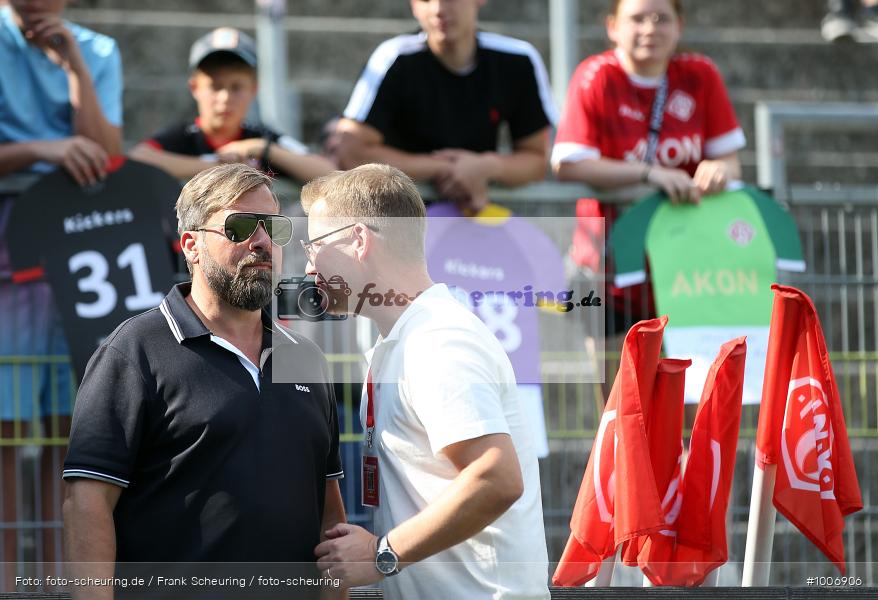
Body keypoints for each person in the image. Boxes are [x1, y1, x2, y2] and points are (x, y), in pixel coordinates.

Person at [62, 164, 346, 599]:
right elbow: (87, 504)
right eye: (240, 227)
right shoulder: (133, 350)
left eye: (274, 227)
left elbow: (330, 514)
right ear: (191, 246)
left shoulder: (306, 358)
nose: (262, 241)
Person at [304, 164, 550, 600]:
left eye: (316, 246)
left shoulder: (437, 340)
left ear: (359, 240)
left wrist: (381, 553)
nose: (309, 267)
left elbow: (497, 478)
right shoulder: (412, 337)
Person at [0, 0, 122, 584]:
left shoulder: (98, 50)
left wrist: (73, 63)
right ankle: (7, 579)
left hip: (80, 251)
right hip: (10, 251)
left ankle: (56, 581)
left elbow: (108, 153)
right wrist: (41, 151)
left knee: (71, 428)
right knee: (6, 426)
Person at [551, 0, 746, 336]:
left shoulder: (700, 74)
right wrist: (649, 174)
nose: (650, 29)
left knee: (684, 369)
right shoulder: (595, 76)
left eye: (660, 18)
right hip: (610, 269)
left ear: (679, 26)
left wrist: (718, 170)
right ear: (612, 26)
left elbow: (731, 163)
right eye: (637, 18)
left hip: (686, 267)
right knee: (615, 371)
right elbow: (568, 164)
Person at [336, 0, 556, 212]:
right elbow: (351, 151)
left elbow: (536, 160)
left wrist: (487, 167)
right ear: (413, 5)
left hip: (475, 219)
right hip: (396, 220)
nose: (438, 9)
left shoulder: (518, 59)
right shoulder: (392, 56)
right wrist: (446, 169)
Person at [129, 27, 334, 182]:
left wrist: (265, 150)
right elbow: (136, 159)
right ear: (195, 88)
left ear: (253, 89)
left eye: (236, 87)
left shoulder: (260, 139)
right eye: (215, 86)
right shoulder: (184, 136)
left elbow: (329, 172)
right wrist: (216, 165)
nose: (225, 97)